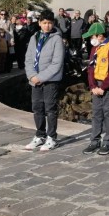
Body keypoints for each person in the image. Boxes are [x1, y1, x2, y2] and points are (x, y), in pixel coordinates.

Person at [24, 9, 65, 152]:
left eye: (50, 23)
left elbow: (56, 63)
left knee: (50, 109)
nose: (47, 25)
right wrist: (32, 76)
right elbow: (29, 58)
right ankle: (40, 135)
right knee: (37, 108)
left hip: (50, 80)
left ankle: (52, 137)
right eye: (45, 23)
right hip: (34, 80)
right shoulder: (34, 37)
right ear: (39, 23)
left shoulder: (57, 39)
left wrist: (40, 77)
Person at [81, 22, 109, 156]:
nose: (91, 39)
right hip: (96, 85)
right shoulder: (95, 48)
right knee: (96, 114)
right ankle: (95, 140)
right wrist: (92, 86)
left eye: (92, 36)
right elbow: (91, 68)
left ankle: (108, 141)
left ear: (100, 36)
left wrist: (103, 87)